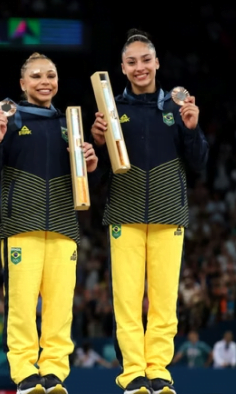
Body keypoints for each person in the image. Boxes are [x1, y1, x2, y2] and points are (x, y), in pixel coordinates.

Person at [90, 29, 209, 394]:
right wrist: (97, 143)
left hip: (169, 214)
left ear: (156, 63)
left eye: (145, 60)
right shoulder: (112, 111)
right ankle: (132, 376)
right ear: (123, 69)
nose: (140, 67)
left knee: (163, 302)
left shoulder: (176, 107)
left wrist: (191, 129)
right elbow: (99, 176)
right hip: (124, 215)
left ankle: (158, 371)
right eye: (132, 62)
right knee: (126, 301)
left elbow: (199, 165)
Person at [0, 52, 98, 394]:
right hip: (21, 228)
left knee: (60, 309)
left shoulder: (70, 125)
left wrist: (90, 164)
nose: (44, 81)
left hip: (64, 228)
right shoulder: (12, 120)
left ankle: (53, 373)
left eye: (50, 75)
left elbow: (83, 181)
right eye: (36, 76)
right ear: (22, 84)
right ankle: (24, 373)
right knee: (20, 307)